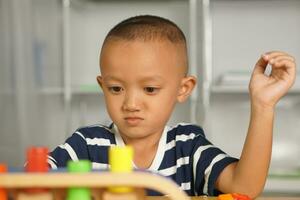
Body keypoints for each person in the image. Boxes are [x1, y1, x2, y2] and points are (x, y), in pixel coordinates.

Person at [48, 15, 296, 198]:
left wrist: (263, 106)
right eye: (116, 89)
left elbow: (245, 188)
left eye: (149, 89)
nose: (131, 104)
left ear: (183, 89)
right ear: (102, 86)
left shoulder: (188, 146)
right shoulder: (86, 145)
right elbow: (30, 182)